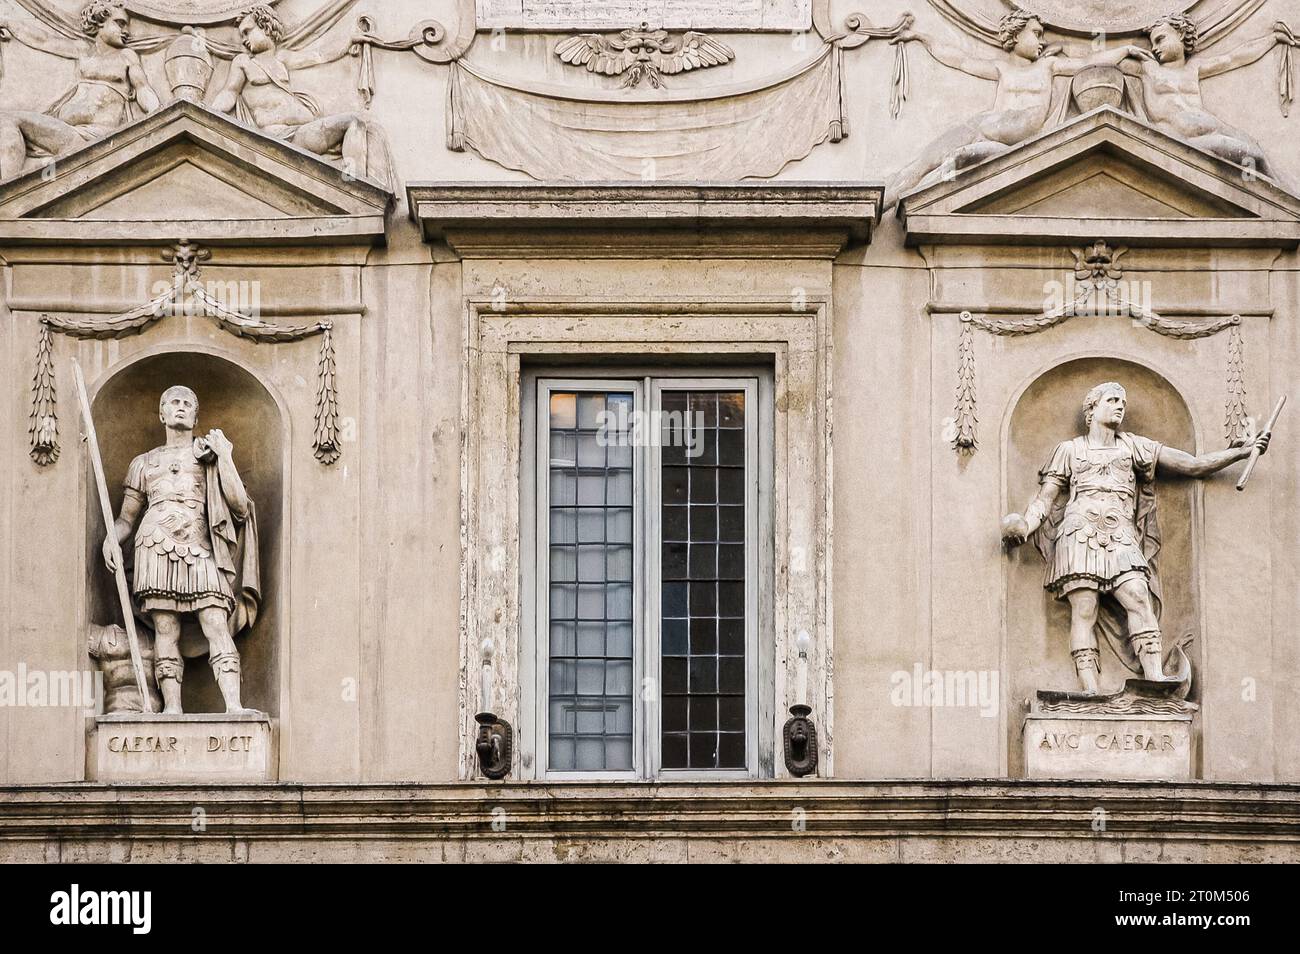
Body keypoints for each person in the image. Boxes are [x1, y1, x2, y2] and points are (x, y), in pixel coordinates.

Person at [1002, 382, 1269, 694]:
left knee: (1138, 596)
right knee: (1084, 609)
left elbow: (1193, 466)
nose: (1119, 406)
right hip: (1079, 533)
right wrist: (1025, 525)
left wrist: (1240, 452)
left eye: (1123, 402)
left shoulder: (1133, 447)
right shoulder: (1070, 450)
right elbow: (1044, 501)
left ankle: (1154, 679)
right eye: (1112, 400)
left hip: (1120, 535)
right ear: (1092, 409)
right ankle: (1090, 689)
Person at [885, 8, 1149, 209]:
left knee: (943, 156)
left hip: (1014, 127)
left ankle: (922, 182)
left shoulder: (1048, 66)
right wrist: (921, 37)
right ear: (1015, 35)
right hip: (991, 127)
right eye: (1036, 34)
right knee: (927, 161)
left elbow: (1091, 61)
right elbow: (961, 60)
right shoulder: (1004, 69)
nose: (1041, 42)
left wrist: (1125, 49)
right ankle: (892, 195)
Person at [103, 386, 259, 714]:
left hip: (201, 545)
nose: (181, 407)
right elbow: (126, 519)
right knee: (165, 626)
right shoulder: (143, 463)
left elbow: (240, 508)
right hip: (155, 544)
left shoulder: (209, 457)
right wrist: (111, 539)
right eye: (174, 402)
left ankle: (234, 705)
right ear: (162, 414)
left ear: (196, 416)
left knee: (215, 620)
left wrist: (225, 456)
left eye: (188, 404)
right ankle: (172, 709)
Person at [212, 3, 393, 188]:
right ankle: (354, 190)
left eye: (247, 32)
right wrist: (211, 114)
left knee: (356, 123)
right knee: (353, 122)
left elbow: (320, 55)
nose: (243, 40)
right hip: (277, 135)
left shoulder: (282, 58)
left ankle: (355, 187)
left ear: (265, 26)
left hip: (302, 132)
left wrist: (350, 41)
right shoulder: (243, 62)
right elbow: (229, 92)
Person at [1123, 14, 1299, 193]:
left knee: (1254, 147)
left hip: (1213, 129)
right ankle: (1289, 203)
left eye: (1160, 39)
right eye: (1153, 43)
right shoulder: (1149, 68)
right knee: (1255, 157)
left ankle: (1287, 200)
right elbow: (1096, 63)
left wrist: (1273, 38)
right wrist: (1128, 50)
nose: (1154, 48)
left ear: (1181, 35)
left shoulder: (1194, 68)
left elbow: (1235, 58)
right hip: (1184, 140)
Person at [0, 2, 161, 180]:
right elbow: (44, 40)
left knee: (9, 120)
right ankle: (9, 188)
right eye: (120, 23)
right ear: (100, 21)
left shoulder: (126, 56)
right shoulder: (83, 50)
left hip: (94, 135)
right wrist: (8, 23)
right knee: (5, 121)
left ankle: (10, 192)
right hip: (66, 132)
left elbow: (143, 89)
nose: (127, 32)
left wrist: (158, 115)